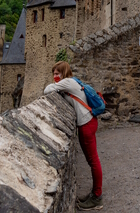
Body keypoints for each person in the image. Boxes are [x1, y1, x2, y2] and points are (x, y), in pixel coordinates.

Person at [44, 61, 103, 210]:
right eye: (54, 73)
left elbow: (47, 90)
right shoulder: (72, 82)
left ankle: (97, 197)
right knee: (92, 160)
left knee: (93, 161)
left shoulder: (67, 82)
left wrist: (55, 84)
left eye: (57, 73)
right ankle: (95, 194)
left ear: (63, 72)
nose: (55, 76)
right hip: (89, 121)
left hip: (86, 125)